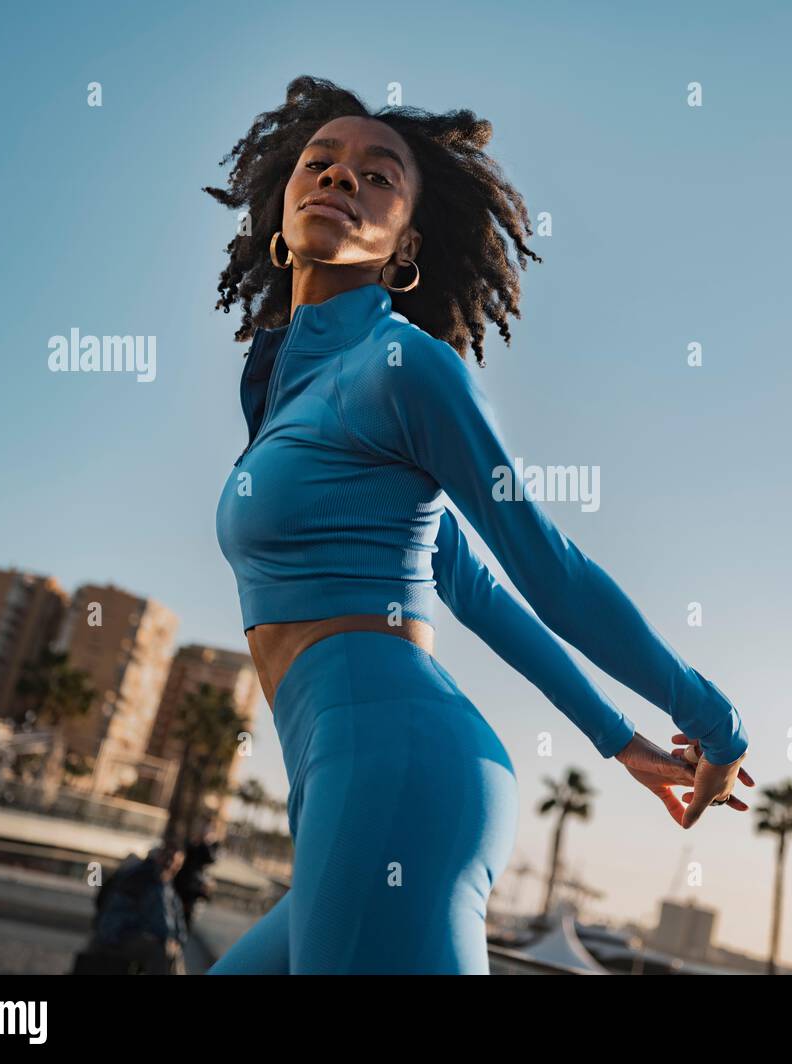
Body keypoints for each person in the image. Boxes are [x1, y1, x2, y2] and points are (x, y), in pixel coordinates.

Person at [208, 76, 752, 975]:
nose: (343, 179)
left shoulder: (407, 370)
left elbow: (545, 567)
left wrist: (712, 719)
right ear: (283, 200)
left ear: (407, 244)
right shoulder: (283, 386)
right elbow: (469, 586)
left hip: (397, 764)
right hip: (345, 772)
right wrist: (618, 738)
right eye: (322, 162)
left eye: (378, 177)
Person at [93, 845, 189, 975]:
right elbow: (124, 913)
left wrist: (177, 940)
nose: (170, 865)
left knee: (174, 952)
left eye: (176, 864)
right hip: (121, 935)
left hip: (142, 936)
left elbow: (178, 923)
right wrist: (163, 937)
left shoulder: (169, 889)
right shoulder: (141, 879)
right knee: (159, 951)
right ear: (159, 857)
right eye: (168, 859)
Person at [173, 830, 219, 931]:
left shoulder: (203, 848)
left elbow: (211, 859)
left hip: (190, 887)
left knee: (185, 920)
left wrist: (206, 843)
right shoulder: (190, 845)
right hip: (184, 884)